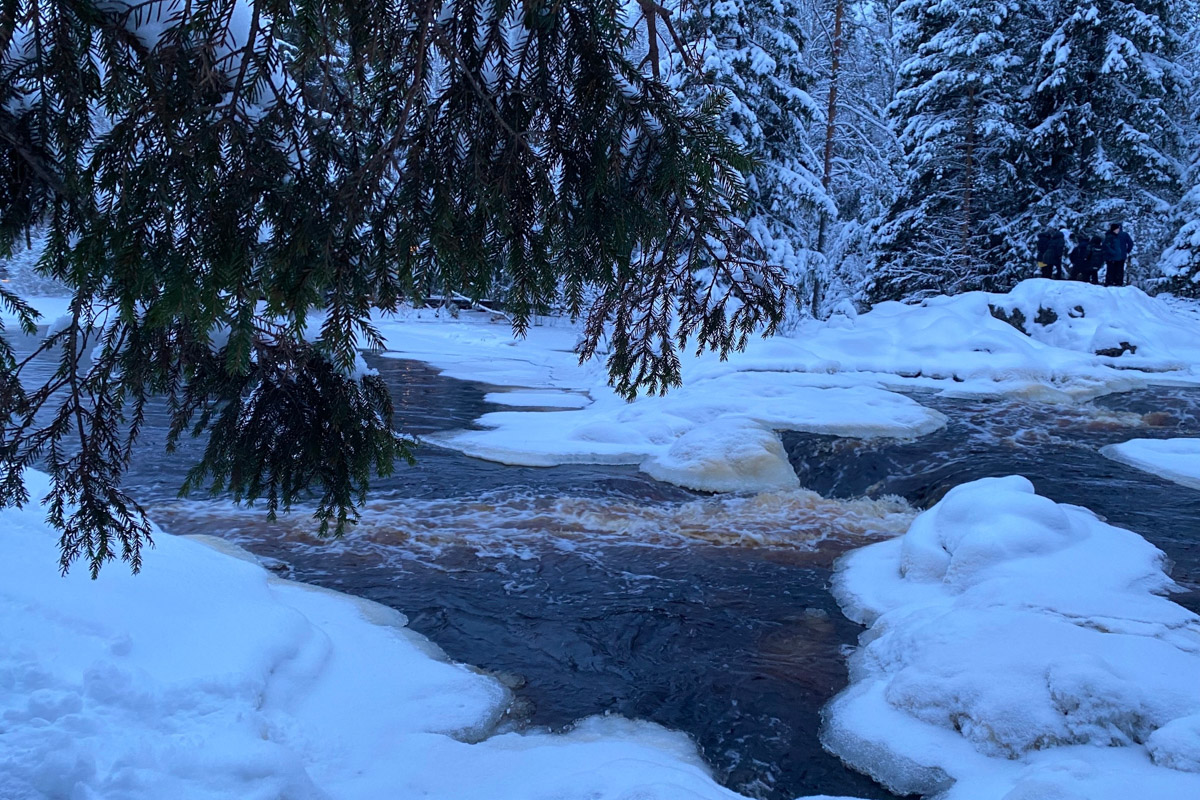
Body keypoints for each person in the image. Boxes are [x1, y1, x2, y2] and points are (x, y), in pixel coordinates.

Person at [1101, 222, 1134, 286]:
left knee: (1110, 269)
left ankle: (1109, 282)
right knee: (1120, 269)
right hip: (1122, 255)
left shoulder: (1108, 234)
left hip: (1111, 256)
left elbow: (1105, 245)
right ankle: (1118, 282)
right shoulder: (1125, 234)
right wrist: (1127, 250)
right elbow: (1130, 243)